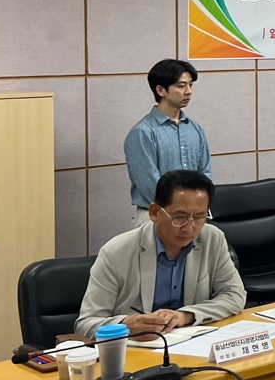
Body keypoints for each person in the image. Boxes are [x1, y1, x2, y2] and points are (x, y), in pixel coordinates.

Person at [76, 169, 245, 338]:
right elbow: (86, 323)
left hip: (190, 343)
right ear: (154, 212)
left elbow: (234, 295)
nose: (189, 227)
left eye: (199, 217)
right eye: (180, 217)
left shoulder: (212, 238)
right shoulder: (116, 252)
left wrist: (186, 315)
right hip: (137, 347)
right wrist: (126, 325)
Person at [124, 59, 212, 223]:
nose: (188, 91)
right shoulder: (142, 133)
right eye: (181, 86)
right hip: (157, 216)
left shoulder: (195, 129)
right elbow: (150, 185)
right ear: (161, 90)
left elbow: (205, 174)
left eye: (191, 85)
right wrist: (182, 209)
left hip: (193, 216)